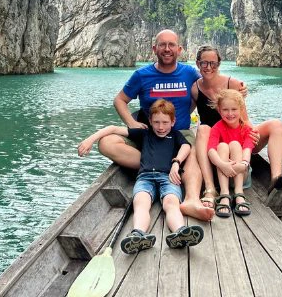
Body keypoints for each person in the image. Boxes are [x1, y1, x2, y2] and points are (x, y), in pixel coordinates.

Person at [97, 29, 216, 221]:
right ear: (155, 48)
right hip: (150, 136)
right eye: (162, 45)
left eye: (171, 45)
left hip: (181, 133)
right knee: (106, 142)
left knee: (194, 151)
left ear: (179, 49)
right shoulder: (142, 75)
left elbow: (210, 86)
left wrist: (238, 89)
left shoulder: (189, 73)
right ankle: (159, 165)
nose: (167, 49)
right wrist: (132, 123)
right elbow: (120, 100)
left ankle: (191, 200)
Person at [77, 99, 205, 252]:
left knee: (171, 203)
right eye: (156, 122)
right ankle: (138, 234)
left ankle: (180, 232)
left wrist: (176, 163)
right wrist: (90, 140)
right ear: (150, 121)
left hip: (168, 177)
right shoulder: (144, 134)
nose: (161, 127)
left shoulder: (176, 135)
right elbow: (112, 129)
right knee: (141, 204)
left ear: (173, 121)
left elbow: (186, 146)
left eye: (165, 122)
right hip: (145, 178)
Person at [187, 44, 282, 212]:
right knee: (203, 128)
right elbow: (186, 113)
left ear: (219, 64)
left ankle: (275, 179)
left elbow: (244, 117)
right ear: (198, 64)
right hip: (216, 143)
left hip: (237, 136)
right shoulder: (195, 89)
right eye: (204, 63)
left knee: (276, 125)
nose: (208, 67)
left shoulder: (233, 84)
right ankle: (210, 187)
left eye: (213, 63)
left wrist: (251, 134)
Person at [207, 89, 255, 217]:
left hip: (241, 172)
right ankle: (224, 194)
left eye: (234, 109)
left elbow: (247, 150)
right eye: (225, 110)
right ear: (219, 110)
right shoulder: (216, 128)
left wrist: (242, 165)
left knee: (235, 144)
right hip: (223, 173)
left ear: (241, 110)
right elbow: (211, 150)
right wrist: (223, 165)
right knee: (221, 146)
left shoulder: (247, 129)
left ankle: (239, 193)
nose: (230, 114)